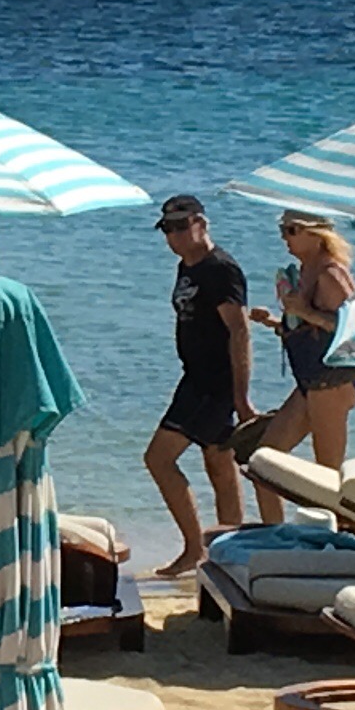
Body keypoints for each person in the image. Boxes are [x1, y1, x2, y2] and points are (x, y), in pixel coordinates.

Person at [144, 195, 255, 579]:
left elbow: (239, 331)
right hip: (194, 377)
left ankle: (195, 549)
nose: (173, 236)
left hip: (212, 383)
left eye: (181, 226)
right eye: (167, 229)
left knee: (158, 459)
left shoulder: (220, 269)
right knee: (220, 464)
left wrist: (241, 397)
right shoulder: (186, 266)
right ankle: (231, 552)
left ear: (201, 224)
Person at [246, 210, 355, 478]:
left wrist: (305, 312)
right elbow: (310, 330)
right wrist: (275, 322)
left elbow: (353, 329)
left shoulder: (331, 274)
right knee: (264, 460)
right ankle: (281, 510)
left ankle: (338, 507)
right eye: (282, 230)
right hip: (311, 379)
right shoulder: (305, 270)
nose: (284, 237)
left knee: (327, 474)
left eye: (291, 230)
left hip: (333, 382)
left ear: (316, 234)